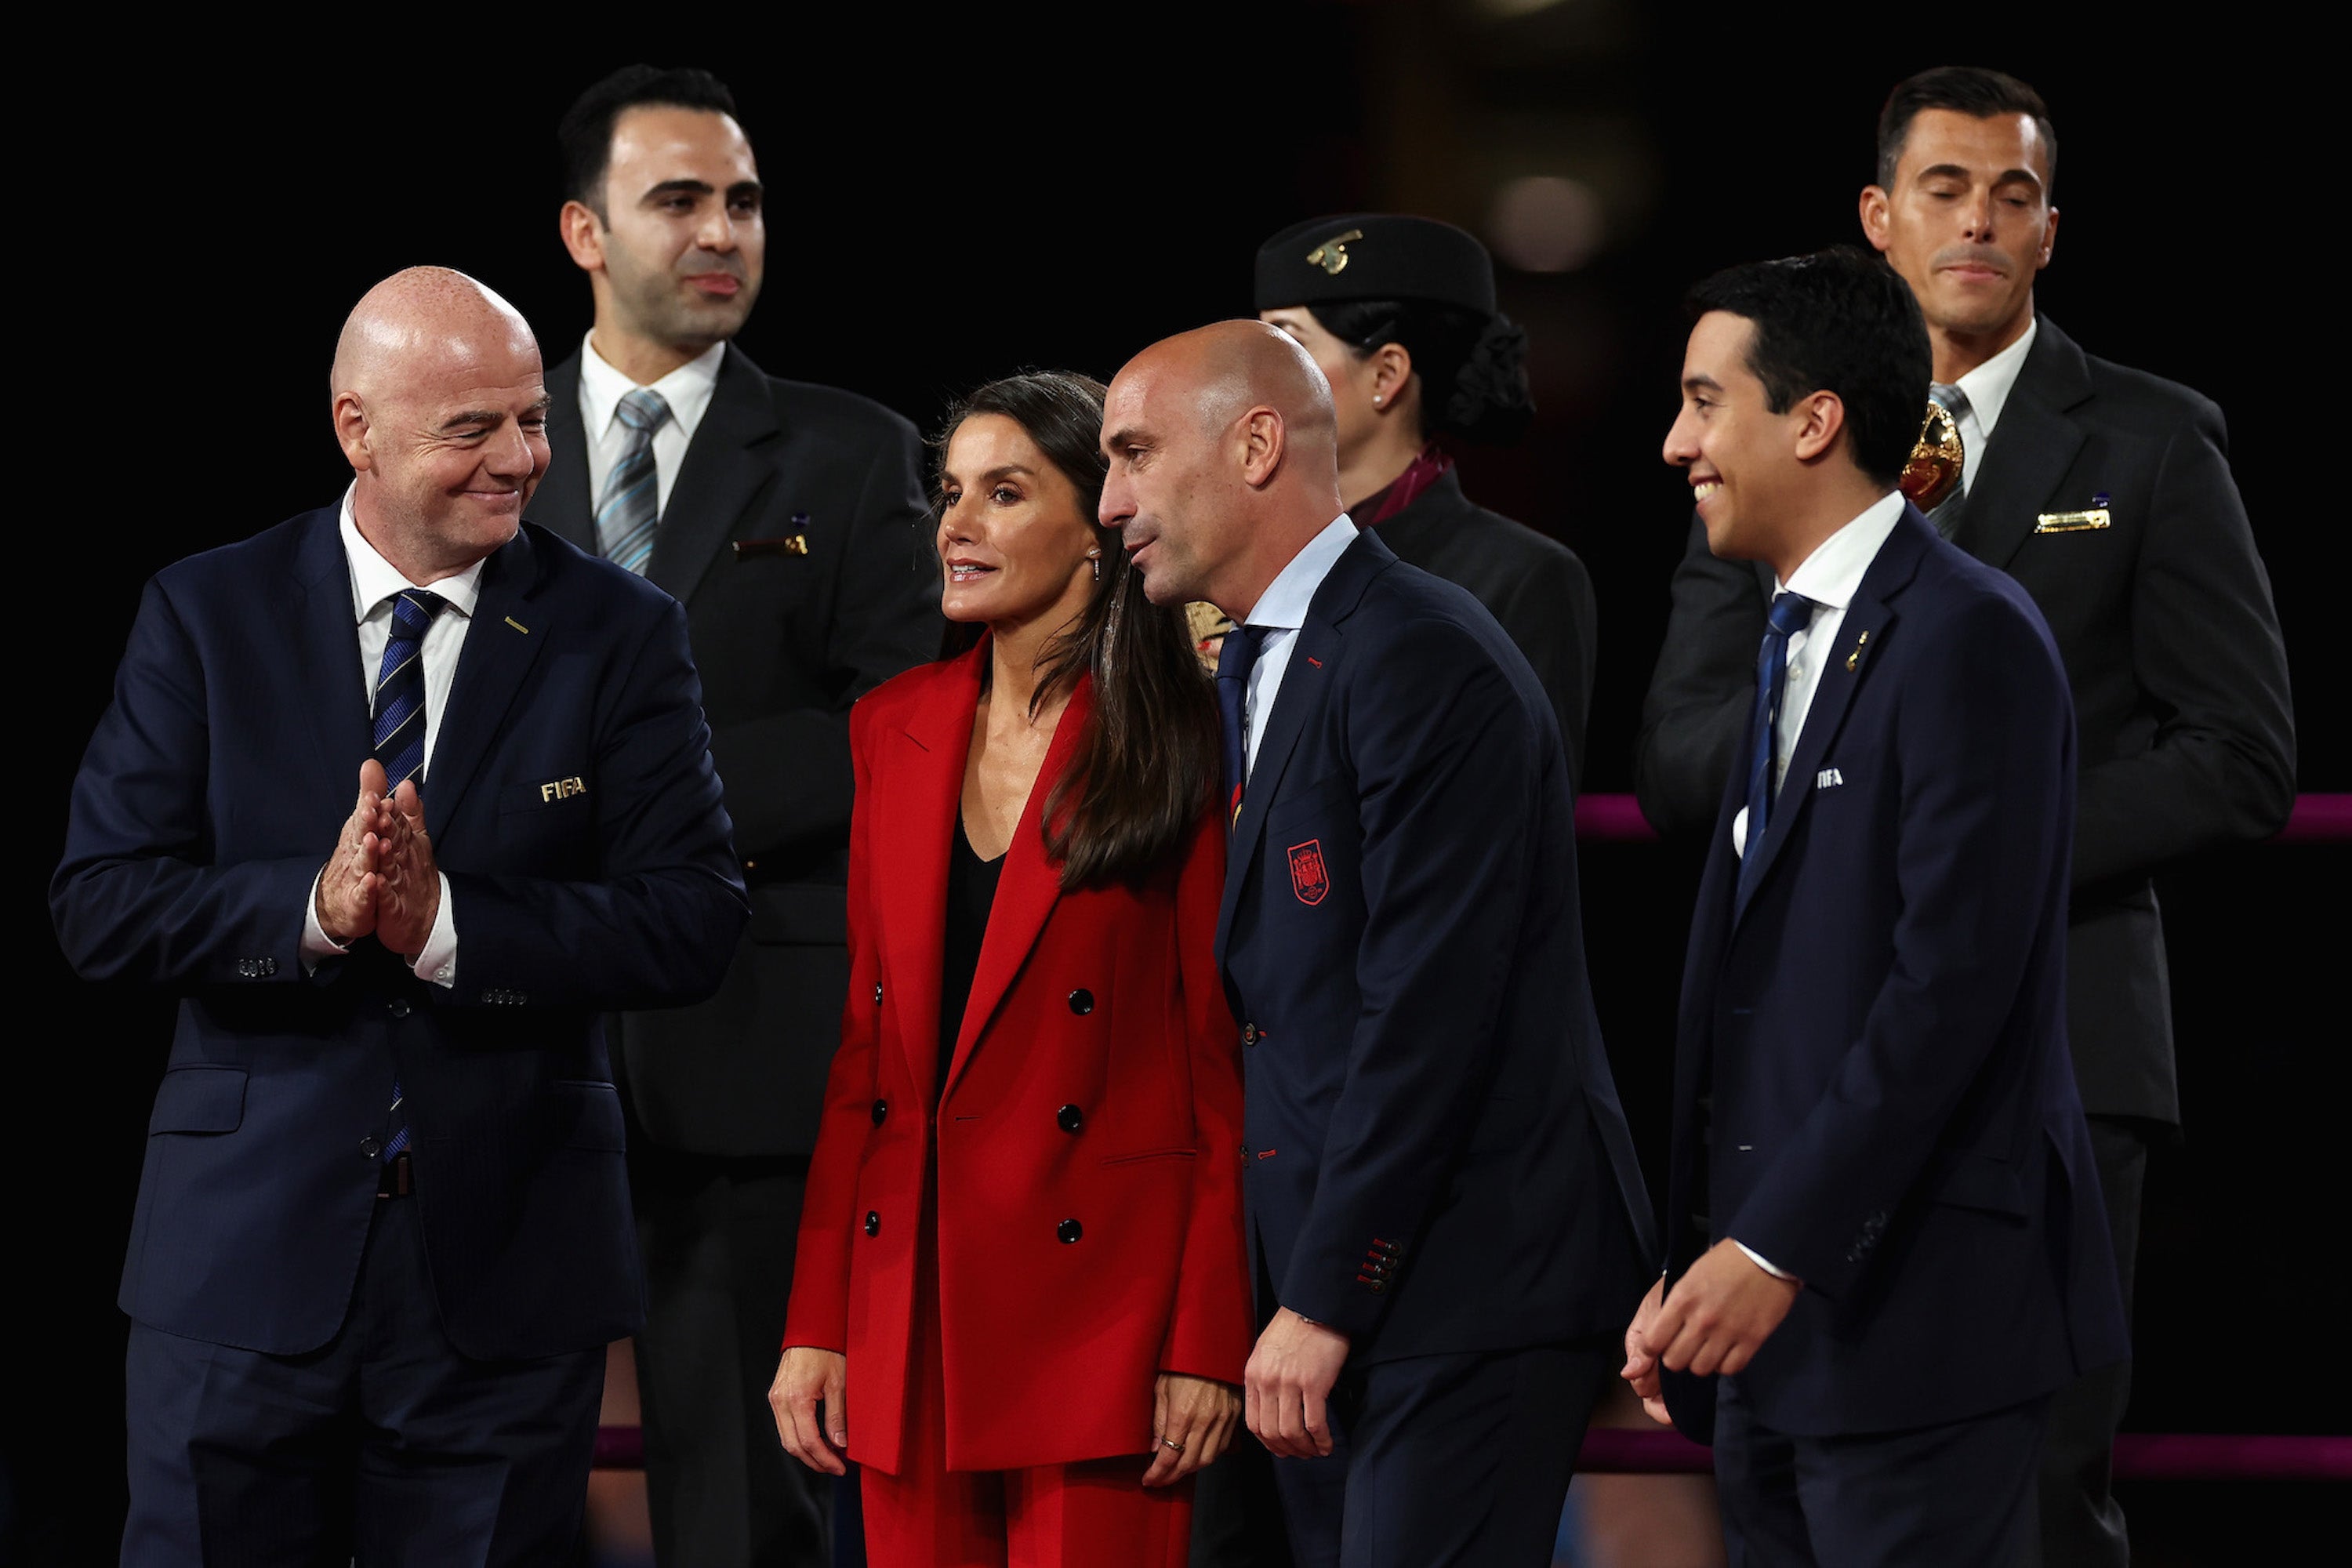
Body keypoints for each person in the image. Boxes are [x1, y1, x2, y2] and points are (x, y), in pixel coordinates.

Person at [1629, 67, 2295, 1566]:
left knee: (2034, 1490)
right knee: (1796, 1484)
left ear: (2051, 230)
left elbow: (2244, 759)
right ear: (1879, 217)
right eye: (1945, 188)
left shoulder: (2151, 440)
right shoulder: (1761, 454)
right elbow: (1680, 752)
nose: (1978, 222)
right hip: (1801, 1044)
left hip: (2066, 1032)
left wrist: (1973, 838)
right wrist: (1867, 806)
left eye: (2013, 195)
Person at [49, 267, 747, 1564]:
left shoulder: (621, 632)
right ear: (355, 429)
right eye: (469, 430)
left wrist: (446, 931)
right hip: (237, 1275)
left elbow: (692, 919)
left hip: (507, 1280)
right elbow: (100, 905)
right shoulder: (206, 612)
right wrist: (316, 908)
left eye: (530, 420)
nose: (521, 459)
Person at [1101, 320, 1654, 1568]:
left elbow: (1426, 1011)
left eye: (1135, 452)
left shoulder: (1421, 655)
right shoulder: (1261, 663)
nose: (1112, 500)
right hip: (1349, 1289)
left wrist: (1322, 1295)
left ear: (1253, 447)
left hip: (1463, 1282)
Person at [1621, 248, 2128, 1566]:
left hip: (1915, 1322)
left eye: (1703, 401)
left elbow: (1949, 989)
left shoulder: (1969, 634)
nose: (1677, 444)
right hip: (1773, 1322)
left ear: (1815, 418)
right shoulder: (1785, 628)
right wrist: (1701, 1258)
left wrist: (1772, 1247)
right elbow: (1766, 998)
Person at [528, 64, 939, 1566]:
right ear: (586, 230)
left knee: (744, 1505)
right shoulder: (485, 441)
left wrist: (631, 805)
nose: (724, 232)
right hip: (507, 1029)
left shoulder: (856, 452)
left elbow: (901, 727)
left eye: (746, 202)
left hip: (750, 1046)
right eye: (680, 200)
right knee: (483, 1472)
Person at [770, 372, 1252, 1566]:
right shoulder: (894, 724)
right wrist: (821, 1320)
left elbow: (1222, 1062)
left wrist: (1204, 1336)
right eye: (949, 495)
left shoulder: (1193, 730)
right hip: (909, 1302)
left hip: (1107, 1318)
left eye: (1003, 492)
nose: (958, 526)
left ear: (1100, 520)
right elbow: (864, 1062)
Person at [1254, 213, 1599, 785]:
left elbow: (1523, 818)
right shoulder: (1247, 561)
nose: (1254, 379)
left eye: (1289, 346)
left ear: (1386, 373)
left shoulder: (1520, 578)